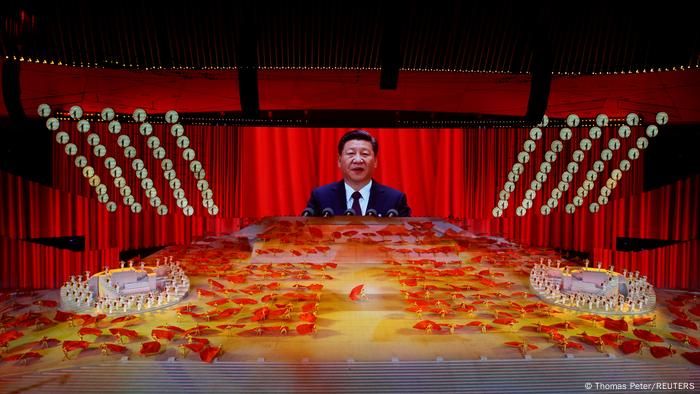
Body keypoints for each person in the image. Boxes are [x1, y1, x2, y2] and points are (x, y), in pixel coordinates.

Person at [304, 129, 411, 217]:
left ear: (375, 161)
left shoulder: (394, 199)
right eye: (351, 153)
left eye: (365, 154)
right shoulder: (321, 197)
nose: (358, 160)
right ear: (339, 160)